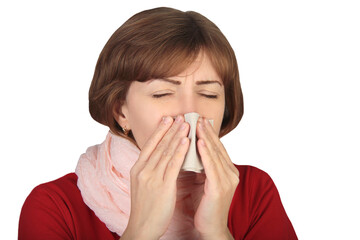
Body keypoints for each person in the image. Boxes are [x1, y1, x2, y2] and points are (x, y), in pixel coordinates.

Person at [18, 7, 297, 240]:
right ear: (120, 112)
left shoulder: (254, 191)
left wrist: (216, 231)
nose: (190, 112)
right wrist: (142, 230)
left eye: (209, 94)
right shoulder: (55, 206)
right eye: (162, 93)